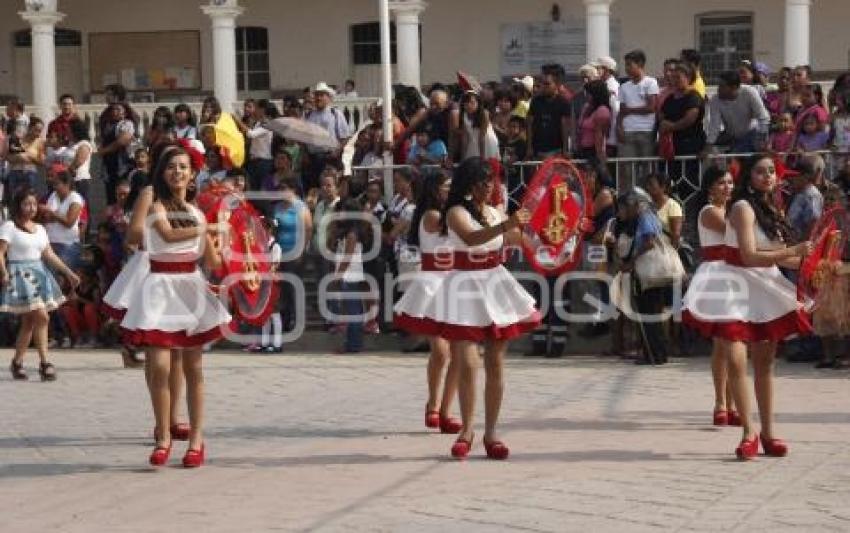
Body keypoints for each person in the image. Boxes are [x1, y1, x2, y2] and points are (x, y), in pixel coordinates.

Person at [397, 157, 539, 459]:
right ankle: (467, 430)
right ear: (470, 183)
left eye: (492, 180)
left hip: (495, 283)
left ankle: (491, 433)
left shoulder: (495, 211)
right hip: (464, 286)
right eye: (483, 181)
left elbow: (520, 238)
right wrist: (508, 224)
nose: (490, 186)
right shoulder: (455, 212)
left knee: (496, 363)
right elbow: (472, 238)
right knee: (467, 361)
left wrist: (557, 235)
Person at [683, 154, 813, 460]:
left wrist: (818, 262)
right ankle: (748, 432)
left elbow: (781, 257)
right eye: (760, 171)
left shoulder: (772, 209)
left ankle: (768, 433)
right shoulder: (741, 208)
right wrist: (795, 251)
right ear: (749, 176)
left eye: (771, 171)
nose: (767, 176)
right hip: (734, 284)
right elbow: (749, 256)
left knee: (766, 362)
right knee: (736, 358)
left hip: (762, 284)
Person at [120, 141, 231, 468]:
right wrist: (209, 227)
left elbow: (212, 259)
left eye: (183, 167)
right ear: (162, 172)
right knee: (161, 366)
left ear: (193, 175)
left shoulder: (198, 213)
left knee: (194, 368)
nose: (177, 172)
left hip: (189, 287)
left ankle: (196, 439)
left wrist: (226, 241)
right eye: (171, 167)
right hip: (158, 288)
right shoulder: (157, 207)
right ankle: (164, 435)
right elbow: (167, 236)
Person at [392, 171, 462, 433]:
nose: (449, 190)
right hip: (432, 283)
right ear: (435, 189)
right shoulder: (432, 216)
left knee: (458, 352)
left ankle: (446, 409)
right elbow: (459, 230)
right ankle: (433, 404)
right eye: (446, 186)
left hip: (454, 282)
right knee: (441, 351)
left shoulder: (453, 212)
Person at [681, 167, 739, 425]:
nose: (727, 187)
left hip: (735, 275)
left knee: (734, 341)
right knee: (723, 342)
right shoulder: (709, 212)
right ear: (710, 188)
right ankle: (721, 402)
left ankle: (732, 403)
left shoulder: (733, 211)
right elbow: (737, 233)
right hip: (718, 276)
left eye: (729, 182)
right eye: (721, 183)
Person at [2, 187, 79, 381]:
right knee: (42, 316)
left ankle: (17, 362)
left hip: (39, 274)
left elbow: (49, 254)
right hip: (20, 276)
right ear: (18, 205)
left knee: (29, 322)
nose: (31, 208)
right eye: (26, 204)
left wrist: (68, 273)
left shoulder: (41, 229)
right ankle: (45, 363)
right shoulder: (9, 226)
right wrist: (3, 272)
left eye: (34, 204)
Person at [272, 176, 312, 333]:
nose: (281, 192)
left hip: (295, 253)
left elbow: (308, 229)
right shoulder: (278, 207)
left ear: (293, 189)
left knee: (293, 288)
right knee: (282, 288)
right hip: (280, 252)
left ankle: (297, 320)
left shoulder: (301, 207)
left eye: (284, 188)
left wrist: (302, 250)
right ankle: (285, 320)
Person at [617, 49, 659, 190]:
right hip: (628, 131)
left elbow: (651, 107)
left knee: (647, 169)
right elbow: (621, 110)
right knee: (627, 170)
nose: (627, 69)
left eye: (630, 65)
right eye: (626, 65)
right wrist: (619, 127)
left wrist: (631, 110)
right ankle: (628, 199)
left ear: (640, 64)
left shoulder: (650, 83)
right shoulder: (623, 87)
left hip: (645, 131)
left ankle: (646, 198)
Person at [705, 71, 770, 153]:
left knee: (736, 154)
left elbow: (763, 117)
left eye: (722, 86)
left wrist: (762, 140)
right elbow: (714, 125)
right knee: (708, 146)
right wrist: (708, 146)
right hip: (731, 135)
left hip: (752, 133)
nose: (718, 89)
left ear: (734, 87)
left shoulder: (749, 92)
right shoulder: (715, 100)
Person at [658, 62, 705, 176]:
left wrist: (672, 126)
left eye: (678, 77)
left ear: (688, 78)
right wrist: (663, 122)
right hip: (672, 145)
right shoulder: (670, 97)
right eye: (673, 77)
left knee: (689, 175)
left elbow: (690, 118)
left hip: (689, 144)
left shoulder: (693, 96)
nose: (674, 80)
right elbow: (662, 113)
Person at [305, 82, 351, 190]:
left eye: (322, 95)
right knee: (315, 188)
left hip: (330, 158)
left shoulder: (335, 114)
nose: (318, 98)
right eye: (317, 95)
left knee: (331, 187)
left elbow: (345, 137)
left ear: (328, 97)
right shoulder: (309, 115)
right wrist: (305, 154)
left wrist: (337, 151)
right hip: (313, 159)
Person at [41, 169, 84, 270]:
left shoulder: (76, 198)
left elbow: (69, 222)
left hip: (67, 245)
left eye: (57, 184)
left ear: (67, 184)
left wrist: (52, 214)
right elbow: (46, 218)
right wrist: (55, 216)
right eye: (54, 184)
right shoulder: (53, 196)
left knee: (62, 277)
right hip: (50, 243)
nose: (54, 187)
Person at [526, 72, 571, 159]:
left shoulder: (563, 102)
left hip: (557, 150)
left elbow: (565, 127)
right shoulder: (535, 101)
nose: (544, 87)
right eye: (542, 84)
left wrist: (565, 149)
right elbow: (529, 125)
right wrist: (529, 148)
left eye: (547, 84)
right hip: (537, 150)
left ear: (556, 85)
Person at [98, 102, 136, 205]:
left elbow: (122, 141)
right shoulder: (108, 126)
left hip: (123, 166)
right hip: (108, 168)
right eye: (113, 110)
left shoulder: (126, 124)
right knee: (111, 197)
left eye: (118, 110)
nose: (115, 112)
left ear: (125, 112)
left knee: (124, 193)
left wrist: (104, 150)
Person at [241, 99, 277, 191]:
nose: (254, 111)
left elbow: (251, 134)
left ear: (262, 110)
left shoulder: (268, 123)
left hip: (264, 163)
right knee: (253, 190)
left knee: (266, 191)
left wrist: (237, 120)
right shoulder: (258, 123)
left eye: (256, 108)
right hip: (254, 162)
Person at [5, 117, 45, 201]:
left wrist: (30, 157)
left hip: (30, 174)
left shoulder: (40, 142)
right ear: (29, 128)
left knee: (29, 198)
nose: (38, 133)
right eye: (36, 130)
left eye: (40, 131)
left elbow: (42, 161)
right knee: (14, 199)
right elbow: (7, 156)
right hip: (15, 172)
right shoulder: (17, 139)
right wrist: (20, 157)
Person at [786, 157, 824, 241]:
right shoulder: (798, 193)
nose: (791, 179)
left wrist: (804, 247)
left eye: (795, 176)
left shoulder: (812, 195)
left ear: (805, 177)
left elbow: (813, 224)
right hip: (791, 240)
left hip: (800, 244)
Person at [455, 91, 500, 161]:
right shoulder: (463, 115)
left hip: (486, 142)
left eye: (472, 103)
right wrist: (462, 158)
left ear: (478, 103)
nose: (469, 105)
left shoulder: (484, 114)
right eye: (466, 103)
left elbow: (481, 138)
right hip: (472, 142)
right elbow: (465, 138)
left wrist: (482, 158)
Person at [576, 80, 612, 165]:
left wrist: (599, 154)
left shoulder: (602, 110)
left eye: (589, 93)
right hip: (583, 149)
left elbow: (599, 133)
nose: (586, 96)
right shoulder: (587, 107)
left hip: (594, 150)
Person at [644, 173, 683, 249]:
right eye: (647, 184)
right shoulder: (645, 206)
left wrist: (671, 251)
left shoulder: (673, 206)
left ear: (663, 187)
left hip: (666, 250)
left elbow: (676, 234)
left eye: (651, 184)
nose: (648, 187)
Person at [593, 56, 620, 158]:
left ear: (607, 70)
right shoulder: (604, 85)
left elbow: (615, 110)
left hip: (609, 137)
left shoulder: (611, 86)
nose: (596, 71)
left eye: (598, 68)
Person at [67, 119, 93, 203]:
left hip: (80, 179)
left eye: (69, 130)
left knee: (81, 203)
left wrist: (68, 169)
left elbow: (79, 161)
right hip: (70, 179)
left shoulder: (84, 144)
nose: (67, 132)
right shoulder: (72, 144)